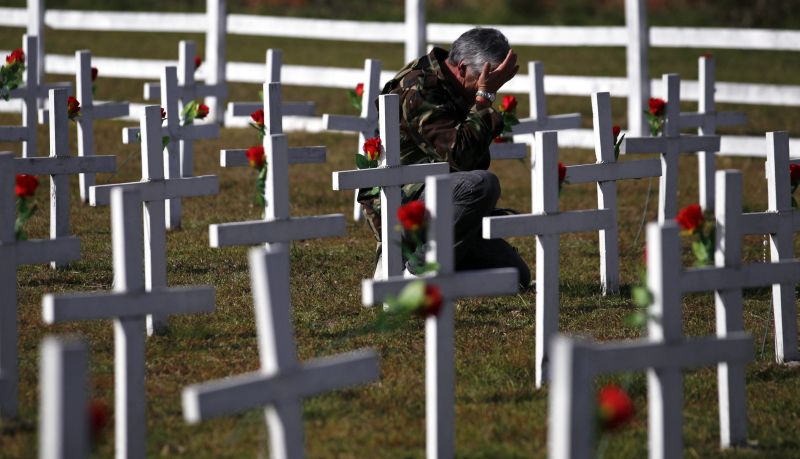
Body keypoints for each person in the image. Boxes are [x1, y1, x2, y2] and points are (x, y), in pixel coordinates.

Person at [358, 27, 531, 289]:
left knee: (515, 274)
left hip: (442, 200)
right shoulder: (419, 88)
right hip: (403, 202)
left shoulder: (455, 84)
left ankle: (427, 255)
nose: (490, 88)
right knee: (482, 185)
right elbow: (459, 156)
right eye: (487, 79)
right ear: (462, 68)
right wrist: (484, 101)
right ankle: (414, 273)